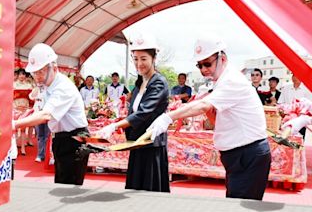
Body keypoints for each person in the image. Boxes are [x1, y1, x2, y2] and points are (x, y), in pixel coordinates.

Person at [149, 34, 271, 200]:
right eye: (199, 65)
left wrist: (168, 117)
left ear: (223, 58)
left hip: (247, 154)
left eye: (207, 63)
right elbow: (217, 121)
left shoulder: (232, 80)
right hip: (238, 155)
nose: (204, 69)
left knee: (240, 209)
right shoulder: (221, 81)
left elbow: (204, 106)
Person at [97, 32, 170, 192]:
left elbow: (143, 113)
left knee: (150, 192)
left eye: (143, 59)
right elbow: (133, 111)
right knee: (134, 190)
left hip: (150, 144)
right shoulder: (139, 82)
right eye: (135, 59)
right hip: (137, 143)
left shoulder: (158, 83)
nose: (139, 63)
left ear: (153, 59)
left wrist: (115, 126)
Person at [13, 43, 89, 185]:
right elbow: (39, 109)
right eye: (34, 73)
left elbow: (45, 115)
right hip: (61, 138)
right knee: (61, 183)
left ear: (54, 68)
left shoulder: (63, 87)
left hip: (74, 140)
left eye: (40, 72)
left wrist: (14, 124)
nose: (37, 77)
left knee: (69, 188)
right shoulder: (46, 86)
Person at [29, 85, 50, 163]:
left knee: (48, 136)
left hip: (48, 114)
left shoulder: (51, 89)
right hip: (37, 114)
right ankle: (40, 155)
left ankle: (48, 155)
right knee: (40, 135)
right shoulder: (37, 89)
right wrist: (36, 88)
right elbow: (31, 96)